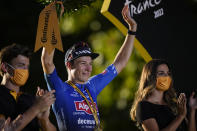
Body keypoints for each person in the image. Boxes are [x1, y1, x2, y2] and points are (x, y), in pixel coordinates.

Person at [41, 5, 137, 131]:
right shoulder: (60, 89)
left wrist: (132, 29)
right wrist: (54, 20)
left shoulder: (92, 85)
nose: (88, 68)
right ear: (69, 65)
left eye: (90, 63)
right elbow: (47, 61)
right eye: (82, 63)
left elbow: (121, 62)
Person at [0, 43, 57, 131]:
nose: (25, 71)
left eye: (27, 67)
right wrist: (36, 108)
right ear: (5, 67)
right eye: (21, 65)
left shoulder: (29, 99)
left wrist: (44, 120)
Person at [130, 59, 197, 131]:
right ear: (150, 76)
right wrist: (180, 116)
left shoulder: (173, 103)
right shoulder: (144, 106)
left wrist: (192, 110)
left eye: (168, 73)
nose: (166, 77)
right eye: (161, 73)